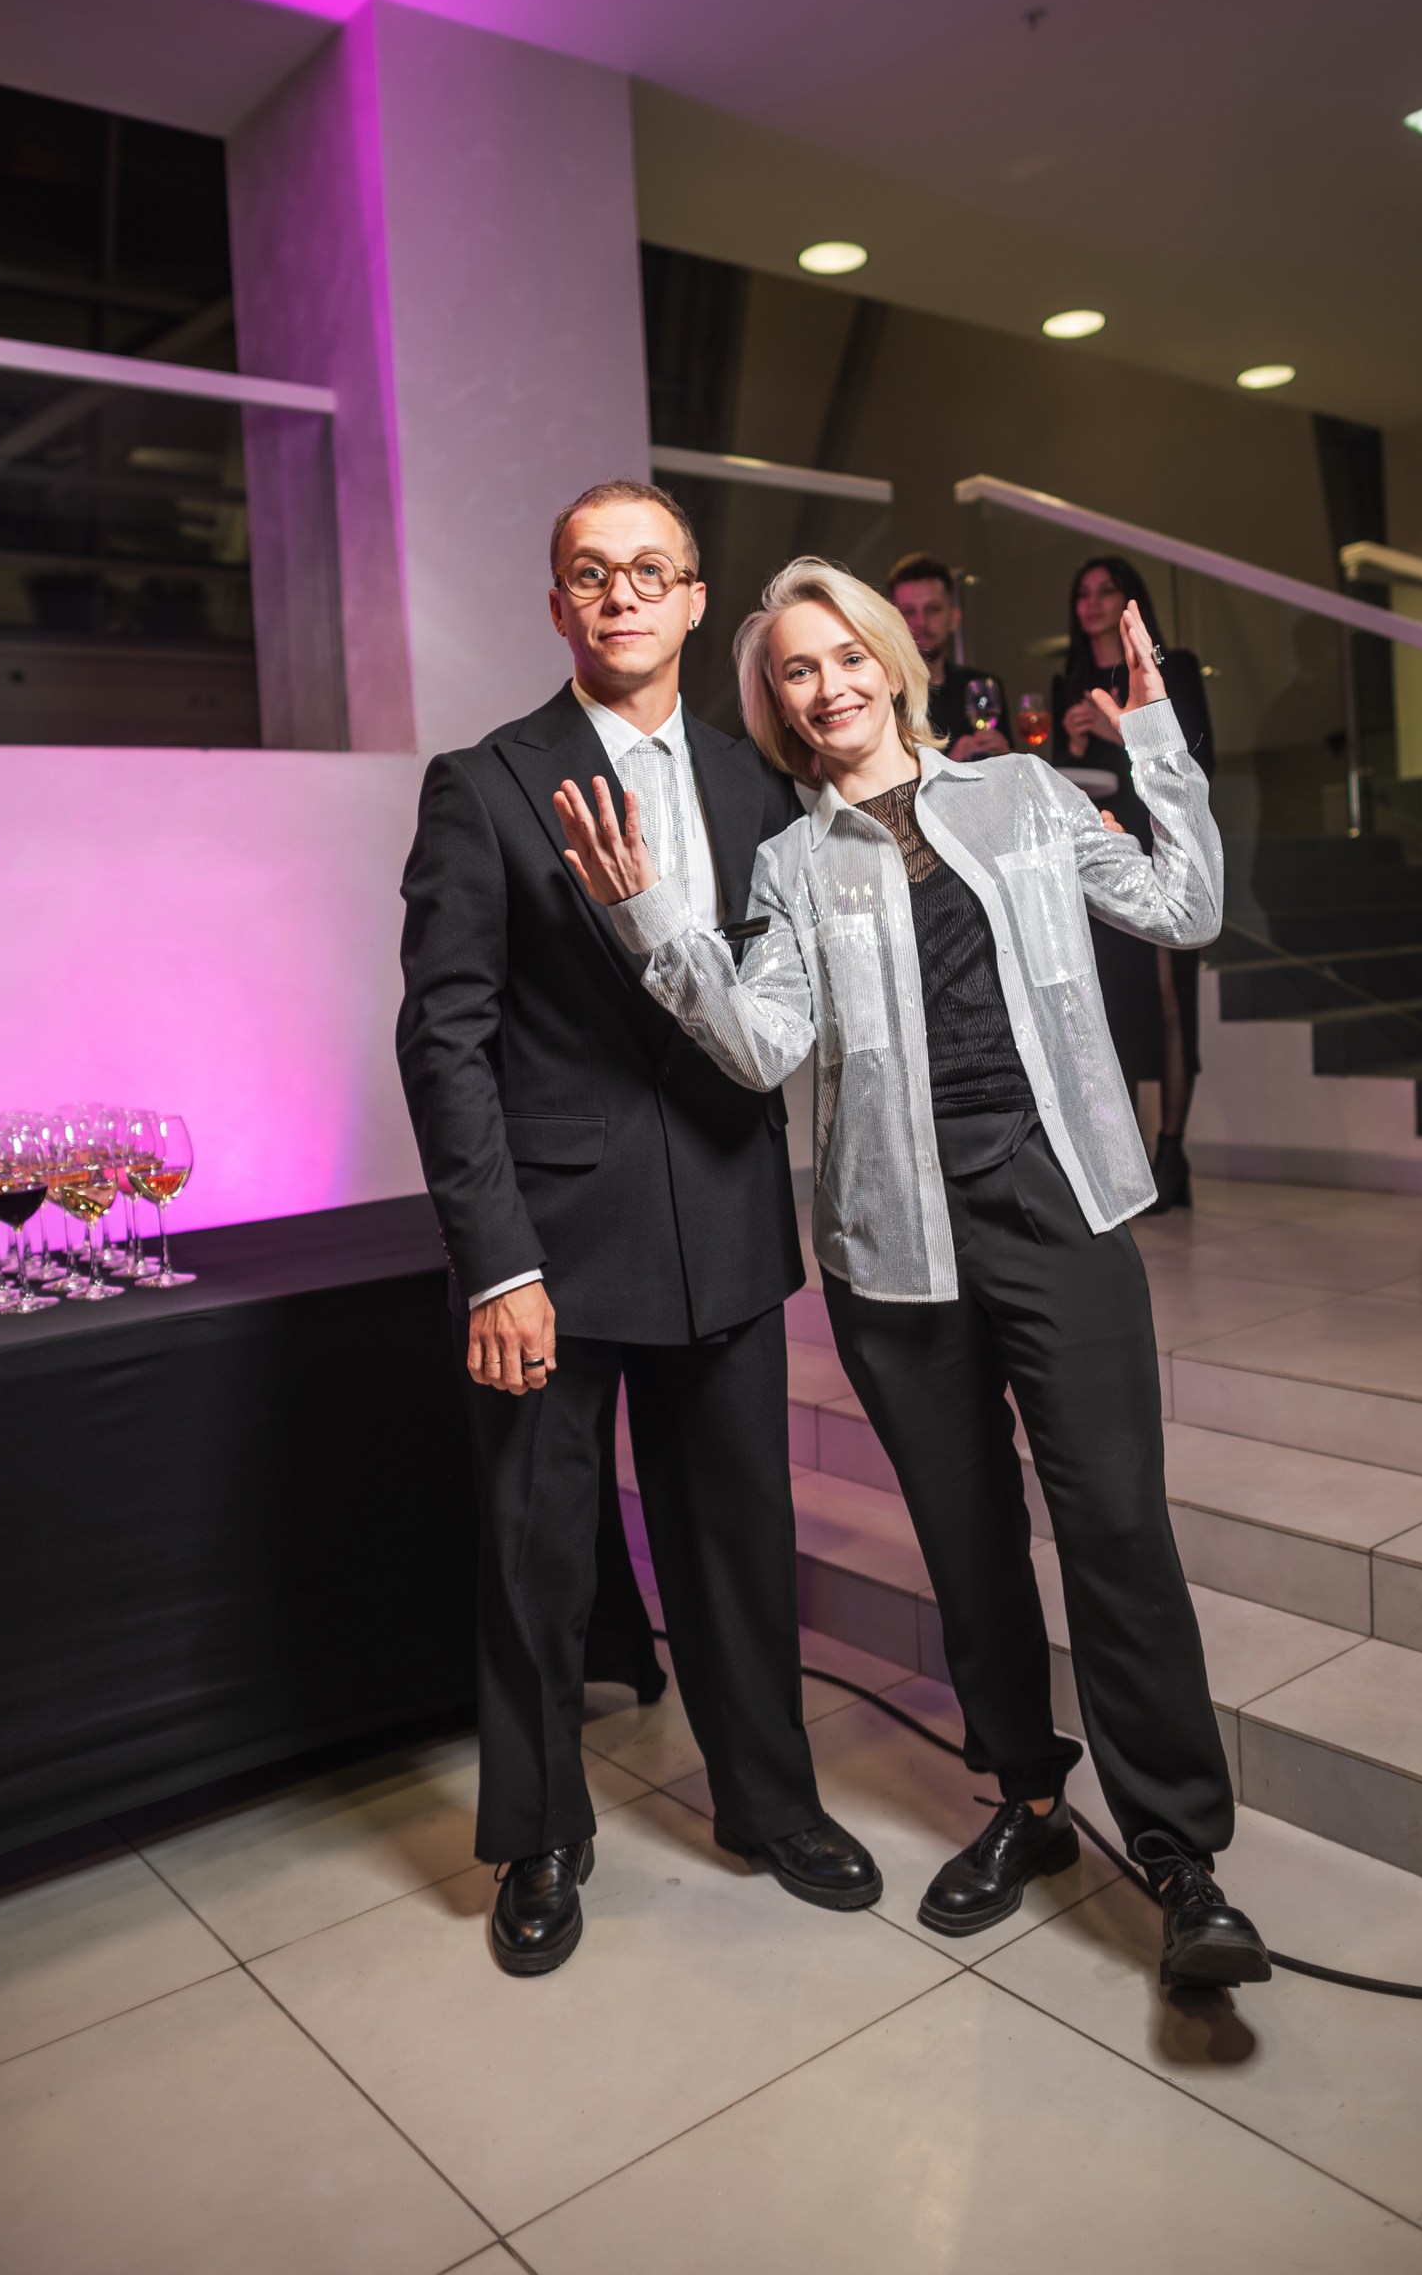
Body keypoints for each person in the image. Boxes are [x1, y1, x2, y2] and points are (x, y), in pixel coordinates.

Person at [556, 557, 1268, 1994]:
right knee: (966, 1541)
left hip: (1056, 1208)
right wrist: (654, 927)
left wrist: (1153, 739)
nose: (825, 688)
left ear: (890, 660)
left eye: (843, 656)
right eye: (794, 672)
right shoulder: (787, 865)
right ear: (775, 704)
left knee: (1115, 1528)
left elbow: (1184, 904)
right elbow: (760, 1047)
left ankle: (1180, 1857)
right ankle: (1026, 1799)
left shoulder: (1021, 796)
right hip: (894, 1245)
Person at [397, 485, 880, 1977]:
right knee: (537, 1557)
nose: (621, 596)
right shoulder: (483, 783)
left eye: (649, 572)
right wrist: (496, 1261)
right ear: (558, 606)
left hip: (725, 1223)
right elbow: (445, 1041)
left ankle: (770, 1801)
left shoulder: (757, 787)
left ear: (691, 599)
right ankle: (539, 1834)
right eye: (591, 575)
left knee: (738, 1541)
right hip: (549, 1251)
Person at [1056, 555, 1216, 1213]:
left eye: (1107, 591)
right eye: (1083, 592)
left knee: (1172, 1002)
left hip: (1163, 840)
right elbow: (1061, 781)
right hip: (1104, 849)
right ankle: (1125, 1163)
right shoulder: (1067, 679)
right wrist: (1071, 748)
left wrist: (1120, 731)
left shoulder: (1172, 665)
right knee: (1114, 1006)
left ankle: (1171, 1151)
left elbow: (1196, 759)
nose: (1092, 602)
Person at [887, 553, 1011, 762]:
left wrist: (1005, 758)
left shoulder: (982, 686)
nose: (921, 622)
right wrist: (952, 766)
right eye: (908, 611)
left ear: (954, 618)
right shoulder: (885, 695)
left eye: (933, 609)